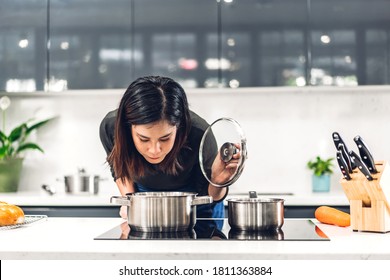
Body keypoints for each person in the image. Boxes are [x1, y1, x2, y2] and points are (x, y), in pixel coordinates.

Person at [99, 76, 240, 219]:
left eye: (165, 138)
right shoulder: (111, 127)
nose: (154, 150)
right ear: (128, 128)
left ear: (179, 127)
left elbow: (211, 196)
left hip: (197, 203)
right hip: (143, 197)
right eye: (144, 139)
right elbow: (119, 169)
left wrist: (218, 181)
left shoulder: (200, 133)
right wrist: (130, 202)